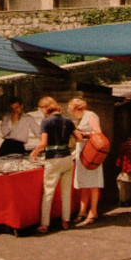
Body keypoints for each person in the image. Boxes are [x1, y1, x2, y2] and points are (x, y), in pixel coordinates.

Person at [30, 96, 82, 234]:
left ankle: (44, 224)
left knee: (48, 192)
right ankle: (65, 221)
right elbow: (79, 137)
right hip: (67, 158)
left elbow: (43, 143)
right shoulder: (68, 120)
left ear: (45, 108)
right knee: (66, 192)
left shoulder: (46, 122)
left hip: (53, 159)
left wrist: (34, 153)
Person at [68, 98, 105, 226]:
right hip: (83, 154)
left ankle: (93, 211)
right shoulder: (82, 117)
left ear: (77, 109)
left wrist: (82, 134)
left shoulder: (91, 115)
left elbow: (98, 133)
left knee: (93, 184)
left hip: (91, 154)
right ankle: (82, 211)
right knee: (84, 183)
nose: (71, 113)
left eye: (72, 110)